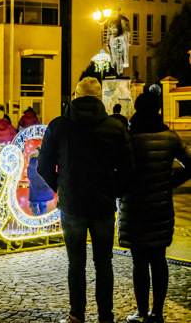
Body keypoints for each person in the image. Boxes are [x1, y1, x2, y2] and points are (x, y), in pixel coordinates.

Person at [37, 77, 134, 323]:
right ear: (100, 98)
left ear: (76, 96)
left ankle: (76, 315)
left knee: (75, 263)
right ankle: (105, 316)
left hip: (72, 205)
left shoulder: (59, 126)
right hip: (102, 205)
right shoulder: (115, 127)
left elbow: (43, 165)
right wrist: (114, 191)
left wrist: (60, 186)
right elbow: (128, 168)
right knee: (104, 262)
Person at [119, 90, 191, 323]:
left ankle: (141, 311)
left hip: (135, 206)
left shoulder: (128, 137)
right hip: (161, 207)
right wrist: (172, 181)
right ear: (158, 110)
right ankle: (157, 313)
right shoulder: (170, 137)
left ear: (137, 109)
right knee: (159, 260)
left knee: (139, 261)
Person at [27, 147, 53, 216]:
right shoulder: (48, 162)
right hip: (46, 190)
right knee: (43, 206)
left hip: (35, 191)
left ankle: (37, 222)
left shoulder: (31, 164)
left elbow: (29, 176)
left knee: (33, 206)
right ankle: (43, 223)